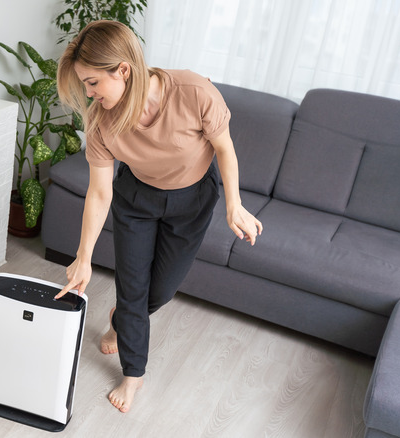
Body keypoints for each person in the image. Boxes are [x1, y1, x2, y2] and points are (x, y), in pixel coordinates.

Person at [53, 20, 263, 414]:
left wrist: (234, 204)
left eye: (93, 83)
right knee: (132, 288)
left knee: (159, 291)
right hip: (137, 201)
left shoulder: (194, 92)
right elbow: (100, 192)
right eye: (84, 86)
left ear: (124, 70)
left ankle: (120, 320)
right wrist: (83, 256)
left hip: (193, 200)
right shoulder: (101, 121)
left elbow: (225, 148)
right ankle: (133, 376)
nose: (90, 94)